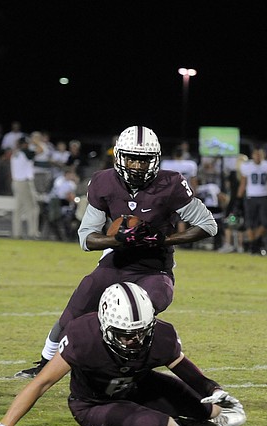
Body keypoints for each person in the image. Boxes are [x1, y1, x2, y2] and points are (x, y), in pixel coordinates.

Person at [13, 125, 217, 378]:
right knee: (77, 307)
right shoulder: (104, 181)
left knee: (144, 310)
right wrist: (119, 240)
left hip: (154, 268)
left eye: (144, 160)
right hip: (115, 263)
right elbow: (86, 238)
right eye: (131, 158)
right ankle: (45, 363)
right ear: (119, 156)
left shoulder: (171, 183)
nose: (137, 166)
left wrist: (162, 239)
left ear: (155, 160)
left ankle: (129, 369)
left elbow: (208, 226)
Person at [0, 282, 245, 426]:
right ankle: (184, 423)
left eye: (140, 334)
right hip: (92, 403)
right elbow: (42, 383)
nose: (134, 341)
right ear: (105, 327)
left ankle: (200, 418)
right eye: (126, 335)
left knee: (214, 412)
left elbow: (184, 368)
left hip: (139, 387)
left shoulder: (160, 335)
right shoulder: (84, 336)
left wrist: (214, 389)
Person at [237, 146, 267, 255]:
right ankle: (254, 246)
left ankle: (254, 244)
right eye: (256, 154)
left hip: (264, 197)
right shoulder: (247, 166)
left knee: (265, 223)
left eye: (260, 154)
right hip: (251, 197)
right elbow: (243, 184)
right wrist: (238, 198)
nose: (258, 157)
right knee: (250, 224)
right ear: (252, 155)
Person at [10, 136, 41, 239]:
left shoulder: (15, 153)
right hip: (24, 183)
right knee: (32, 208)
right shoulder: (25, 152)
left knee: (18, 209)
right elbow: (41, 150)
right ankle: (32, 233)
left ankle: (16, 233)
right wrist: (36, 142)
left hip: (16, 182)